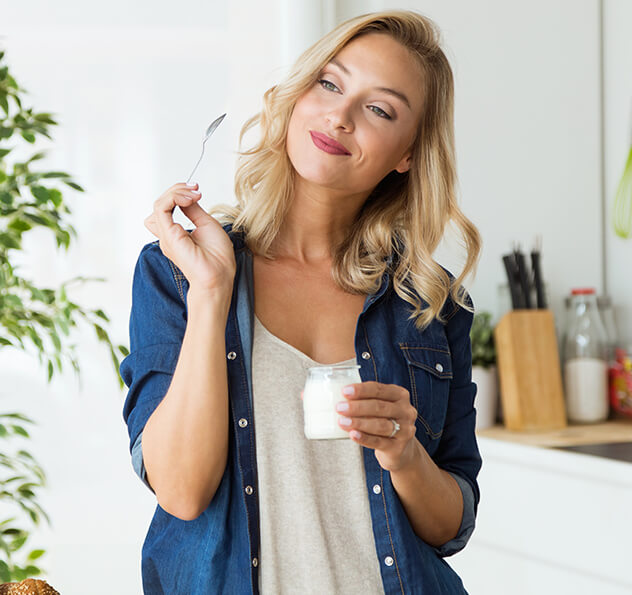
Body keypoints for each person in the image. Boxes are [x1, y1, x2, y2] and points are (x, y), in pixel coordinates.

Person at [121, 9, 482, 595]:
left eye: (378, 109)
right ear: (296, 96)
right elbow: (182, 493)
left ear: (407, 154)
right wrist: (214, 292)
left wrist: (405, 453)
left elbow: (451, 524)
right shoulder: (178, 274)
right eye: (329, 83)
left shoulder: (431, 302)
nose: (339, 116)